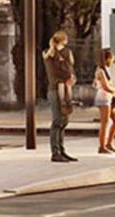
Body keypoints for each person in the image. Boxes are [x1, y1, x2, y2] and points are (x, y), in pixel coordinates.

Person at [42, 30, 77, 163]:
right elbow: (69, 70)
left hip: (56, 89)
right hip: (62, 90)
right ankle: (56, 152)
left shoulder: (47, 53)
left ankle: (60, 150)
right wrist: (71, 77)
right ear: (64, 40)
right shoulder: (66, 52)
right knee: (59, 121)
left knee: (61, 121)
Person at [94, 49, 115, 154]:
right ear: (107, 59)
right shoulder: (100, 71)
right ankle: (102, 146)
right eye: (111, 59)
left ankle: (109, 144)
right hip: (103, 99)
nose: (112, 61)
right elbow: (106, 87)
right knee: (105, 122)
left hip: (109, 98)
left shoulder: (106, 70)